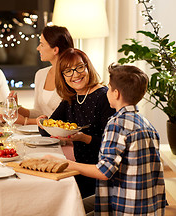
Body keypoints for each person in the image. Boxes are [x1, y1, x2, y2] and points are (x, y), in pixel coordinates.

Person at [49, 64, 166, 215]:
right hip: (148, 206)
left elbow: (104, 171)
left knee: (67, 209)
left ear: (116, 93)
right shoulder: (146, 124)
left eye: (109, 88)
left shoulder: (116, 124)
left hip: (125, 208)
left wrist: (66, 164)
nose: (106, 91)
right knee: (76, 204)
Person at [37, 48, 116, 198]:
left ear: (88, 67)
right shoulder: (71, 99)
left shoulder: (104, 97)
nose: (75, 74)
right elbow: (47, 130)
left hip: (101, 174)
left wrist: (83, 138)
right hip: (81, 169)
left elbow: (112, 146)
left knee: (57, 195)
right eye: (68, 71)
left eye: (79, 67)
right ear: (63, 76)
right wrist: (42, 122)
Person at [0, 25, 74, 125]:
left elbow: (65, 121)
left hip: (61, 137)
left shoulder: (72, 77)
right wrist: (15, 108)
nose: (37, 48)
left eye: (42, 44)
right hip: (42, 136)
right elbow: (39, 113)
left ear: (55, 50)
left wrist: (24, 121)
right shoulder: (41, 74)